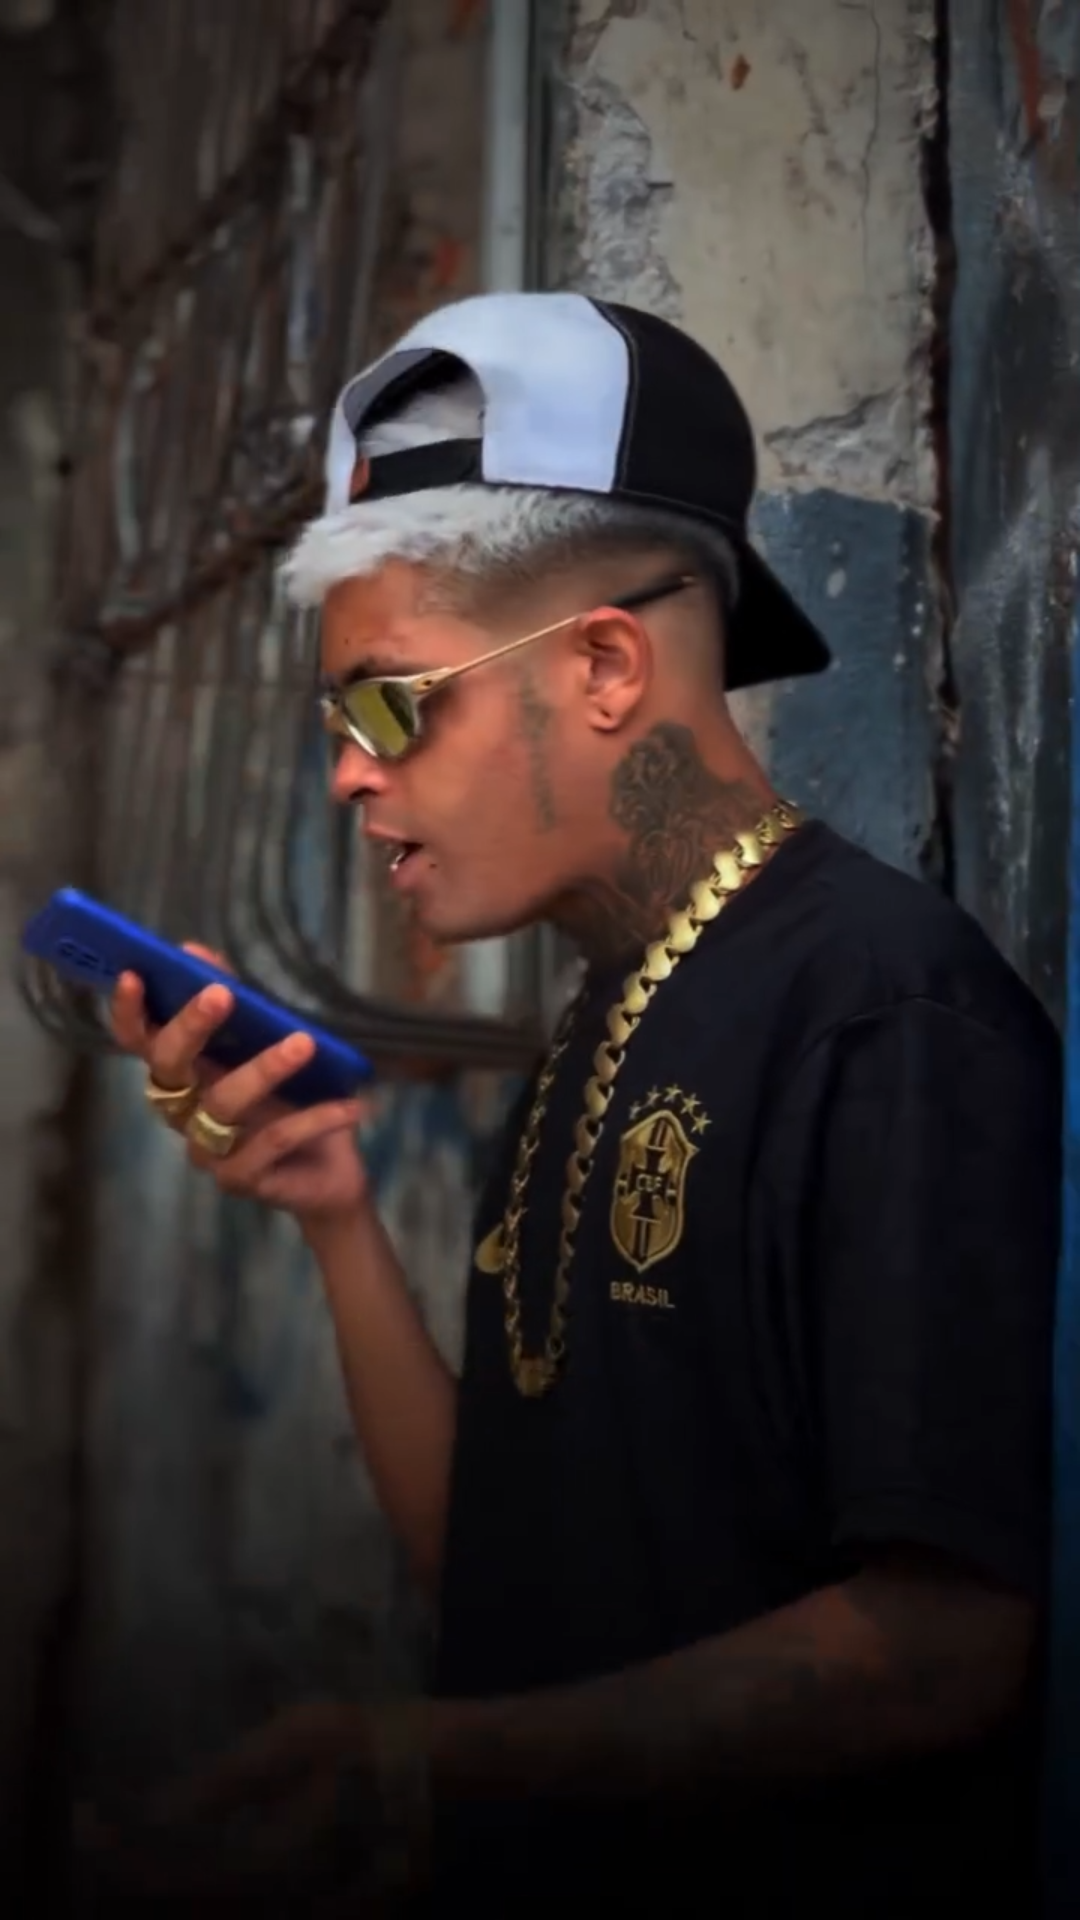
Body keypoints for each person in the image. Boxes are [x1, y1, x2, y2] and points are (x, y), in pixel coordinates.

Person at [101, 292, 1060, 1916]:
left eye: (390, 704)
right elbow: (498, 1574)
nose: (349, 772)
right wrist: (333, 1211)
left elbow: (942, 1648)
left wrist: (434, 1764)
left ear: (606, 665)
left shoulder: (883, 1015)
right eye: (336, 721)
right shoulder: (600, 1025)